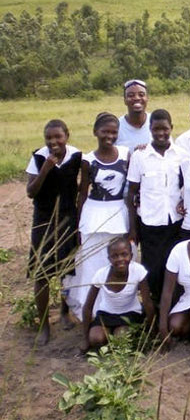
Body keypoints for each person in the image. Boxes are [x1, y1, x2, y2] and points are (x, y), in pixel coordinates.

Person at [26, 119, 82, 345]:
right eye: (48, 138)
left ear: (67, 136)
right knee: (42, 273)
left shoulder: (76, 156)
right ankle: (43, 325)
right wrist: (45, 169)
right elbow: (31, 192)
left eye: (58, 137)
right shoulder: (39, 157)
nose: (53, 142)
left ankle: (64, 313)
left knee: (67, 270)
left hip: (68, 219)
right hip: (44, 221)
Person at [69, 113, 130, 321]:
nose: (109, 136)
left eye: (114, 132)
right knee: (93, 265)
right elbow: (83, 194)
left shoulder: (126, 154)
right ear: (95, 132)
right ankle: (92, 312)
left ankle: (116, 308)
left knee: (117, 263)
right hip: (94, 215)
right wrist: (79, 225)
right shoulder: (88, 160)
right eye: (105, 131)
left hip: (118, 213)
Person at [127, 109, 189, 303]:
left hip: (175, 223)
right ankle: (153, 308)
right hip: (150, 223)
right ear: (150, 129)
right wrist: (133, 228)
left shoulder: (182, 155)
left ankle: (172, 307)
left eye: (165, 129)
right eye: (156, 129)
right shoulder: (140, 156)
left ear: (171, 128)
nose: (161, 133)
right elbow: (131, 193)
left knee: (172, 268)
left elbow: (187, 186)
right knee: (152, 269)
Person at [81, 238, 154, 351]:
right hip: (106, 314)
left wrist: (151, 331)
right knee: (96, 339)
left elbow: (147, 303)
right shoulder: (101, 274)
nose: (120, 259)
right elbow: (88, 307)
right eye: (114, 256)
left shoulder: (138, 271)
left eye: (124, 254)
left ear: (131, 255)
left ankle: (114, 340)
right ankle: (107, 337)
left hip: (130, 314)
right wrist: (85, 339)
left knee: (121, 339)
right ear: (109, 259)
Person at [116, 79, 151, 153]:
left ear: (147, 98)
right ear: (125, 100)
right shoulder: (116, 127)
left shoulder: (156, 122)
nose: (137, 98)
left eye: (141, 95)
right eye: (131, 95)